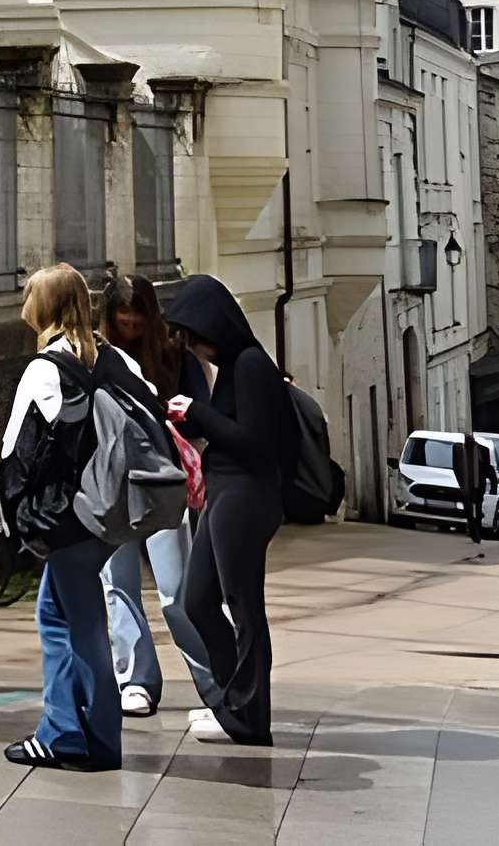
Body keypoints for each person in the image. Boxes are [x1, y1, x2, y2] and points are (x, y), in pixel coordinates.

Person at [0, 263, 124, 772]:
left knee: (81, 624)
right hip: (111, 508)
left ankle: (80, 737)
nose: (23, 306)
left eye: (29, 297)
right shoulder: (114, 359)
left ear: (44, 306)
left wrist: (17, 516)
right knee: (57, 612)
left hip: (68, 513)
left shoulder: (45, 368)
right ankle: (70, 728)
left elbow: (16, 450)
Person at [162, 274, 295, 748]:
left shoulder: (251, 364)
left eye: (193, 337)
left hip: (246, 494)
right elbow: (232, 430)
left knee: (243, 608)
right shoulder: (238, 365)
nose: (192, 348)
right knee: (196, 601)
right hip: (227, 491)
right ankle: (232, 704)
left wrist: (199, 414)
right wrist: (194, 417)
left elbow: (253, 442)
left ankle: (249, 717)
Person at [97, 273, 216, 718]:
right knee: (118, 584)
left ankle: (212, 678)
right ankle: (135, 679)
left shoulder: (174, 355)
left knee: (176, 588)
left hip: (163, 481)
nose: (130, 327)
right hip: (111, 480)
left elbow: (201, 415)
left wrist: (171, 417)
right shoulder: (97, 355)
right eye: (122, 319)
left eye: (137, 319)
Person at [453, 431, 493, 556]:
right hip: (465, 485)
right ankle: (474, 533)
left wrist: (492, 484)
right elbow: (455, 466)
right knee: (469, 511)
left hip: (478, 485)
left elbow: (487, 468)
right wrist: (459, 483)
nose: (468, 441)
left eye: (470, 438)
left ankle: (477, 530)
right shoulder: (458, 449)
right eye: (466, 439)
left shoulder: (482, 450)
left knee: (478, 511)